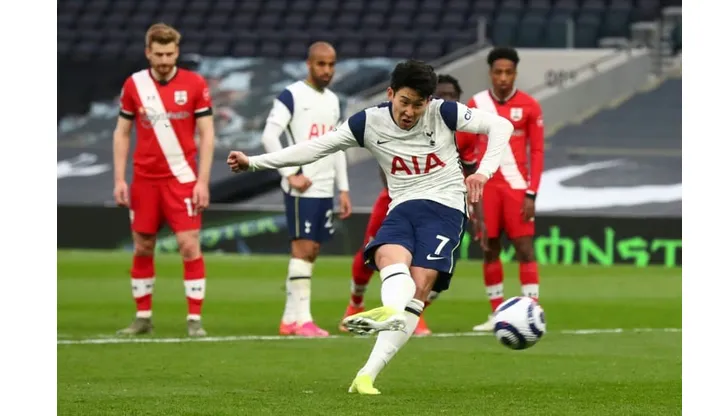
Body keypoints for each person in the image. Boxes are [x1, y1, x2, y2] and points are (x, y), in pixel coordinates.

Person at [227, 60, 513, 395]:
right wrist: (254, 162)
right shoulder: (368, 122)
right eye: (404, 102)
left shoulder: (444, 112)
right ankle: (390, 311)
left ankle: (367, 374)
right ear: (390, 93)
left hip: (445, 208)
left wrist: (483, 173)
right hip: (403, 206)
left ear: (428, 101)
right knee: (387, 257)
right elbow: (315, 148)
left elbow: (501, 126)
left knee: (420, 285)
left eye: (417, 105)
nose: (409, 112)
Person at [339, 74, 474, 336]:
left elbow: (469, 169)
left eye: (452, 96)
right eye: (442, 95)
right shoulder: (414, 122)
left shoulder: (465, 133)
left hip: (445, 207)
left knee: (437, 266)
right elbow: (388, 164)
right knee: (371, 250)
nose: (447, 100)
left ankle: (414, 312)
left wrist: (471, 204)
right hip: (396, 200)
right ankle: (355, 303)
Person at [113, 23, 215, 337]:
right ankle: (142, 317)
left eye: (169, 54)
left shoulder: (195, 83)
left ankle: (194, 320)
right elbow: (122, 132)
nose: (164, 60)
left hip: (181, 179)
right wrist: (120, 179)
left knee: (189, 245)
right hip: (144, 180)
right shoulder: (134, 85)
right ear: (148, 52)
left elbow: (207, 133)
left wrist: (202, 181)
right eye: (158, 54)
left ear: (177, 52)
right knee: (143, 246)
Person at [260, 42, 352, 337]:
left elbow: (338, 145)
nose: (327, 70)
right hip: (303, 186)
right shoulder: (292, 95)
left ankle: (290, 319)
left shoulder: (333, 100)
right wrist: (290, 174)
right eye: (321, 64)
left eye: (331, 64)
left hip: (324, 187)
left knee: (312, 251)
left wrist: (343, 188)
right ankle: (303, 320)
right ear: (309, 64)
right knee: (303, 249)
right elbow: (269, 136)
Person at [455, 47, 545, 331]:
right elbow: (465, 148)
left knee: (524, 249)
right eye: (498, 72)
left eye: (508, 72)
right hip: (487, 188)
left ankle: (532, 311)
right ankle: (497, 313)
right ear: (490, 73)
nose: (503, 78)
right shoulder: (477, 103)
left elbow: (537, 151)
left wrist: (532, 192)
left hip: (517, 187)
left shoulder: (530, 106)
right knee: (490, 248)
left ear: (515, 74)